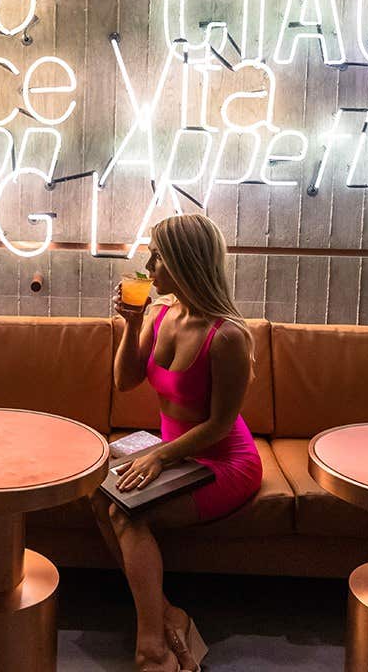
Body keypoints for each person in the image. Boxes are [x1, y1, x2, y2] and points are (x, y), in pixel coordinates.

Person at [94, 213, 263, 672]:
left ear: (186, 261)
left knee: (127, 512)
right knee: (96, 490)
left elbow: (220, 425)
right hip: (174, 452)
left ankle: (151, 646)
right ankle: (169, 614)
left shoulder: (227, 336)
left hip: (222, 461)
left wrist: (159, 457)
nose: (149, 265)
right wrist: (131, 324)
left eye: (158, 255)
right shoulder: (159, 314)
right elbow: (125, 381)